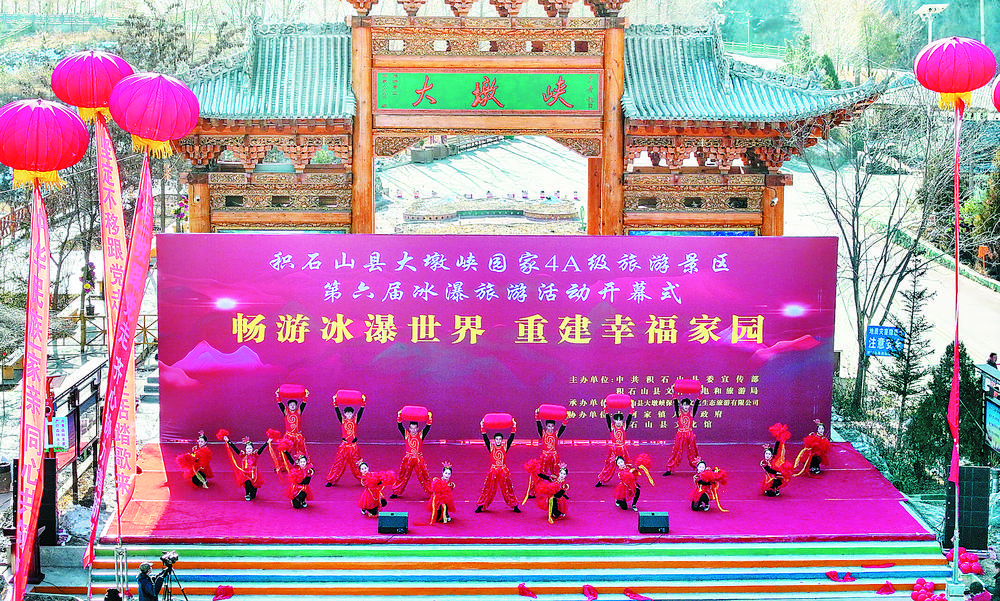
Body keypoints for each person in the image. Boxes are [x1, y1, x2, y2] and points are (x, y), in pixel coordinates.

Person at [476, 421, 520, 513]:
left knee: (508, 488)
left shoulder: (505, 447)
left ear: (502, 440)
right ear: (494, 440)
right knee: (488, 488)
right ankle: (481, 505)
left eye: (500, 439)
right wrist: (482, 427)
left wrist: (514, 427)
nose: (498, 441)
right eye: (497, 439)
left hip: (503, 470)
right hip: (493, 470)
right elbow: (485, 438)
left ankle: (514, 505)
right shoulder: (491, 447)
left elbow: (511, 438)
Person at [391, 412, 432, 498]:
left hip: (418, 459)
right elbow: (400, 427)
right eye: (411, 428)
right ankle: (396, 492)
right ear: (409, 428)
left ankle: (431, 493)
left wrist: (429, 418)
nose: (413, 430)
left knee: (425, 476)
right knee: (402, 475)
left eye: (415, 428)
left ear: (417, 429)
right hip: (408, 459)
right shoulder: (406, 434)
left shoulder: (420, 435)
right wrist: (399, 416)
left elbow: (427, 427)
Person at [326, 401, 365, 485]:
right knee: (338, 463)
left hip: (353, 446)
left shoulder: (355, 420)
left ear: (352, 414)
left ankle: (363, 480)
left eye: (350, 413)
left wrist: (362, 405)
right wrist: (335, 405)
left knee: (357, 463)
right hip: (344, 446)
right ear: (345, 414)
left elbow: (360, 413)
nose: (349, 415)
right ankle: (331, 480)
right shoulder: (343, 421)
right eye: (347, 413)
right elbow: (338, 413)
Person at [223, 433, 270, 500]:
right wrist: (228, 441)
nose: (249, 449)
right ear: (245, 449)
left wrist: (267, 442)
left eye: (250, 448)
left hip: (254, 474)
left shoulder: (255, 455)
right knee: (247, 483)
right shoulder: (242, 455)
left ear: (252, 449)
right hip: (245, 474)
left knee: (253, 495)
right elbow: (235, 449)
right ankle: (247, 494)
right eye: (247, 448)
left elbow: (261, 449)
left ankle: (252, 493)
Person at [663, 397, 700, 476]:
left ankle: (699, 467)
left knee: (693, 451)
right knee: (676, 451)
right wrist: (674, 395)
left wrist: (699, 396)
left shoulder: (691, 413)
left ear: (689, 406)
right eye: (684, 405)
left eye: (687, 405)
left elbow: (696, 405)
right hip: (680, 434)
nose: (686, 406)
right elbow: (676, 405)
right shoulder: (679, 413)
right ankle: (669, 468)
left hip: (689, 434)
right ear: (682, 406)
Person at [596, 411, 634, 486]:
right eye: (617, 420)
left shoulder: (624, 427)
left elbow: (629, 419)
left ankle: (631, 481)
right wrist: (605, 410)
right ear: (614, 421)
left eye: (620, 420)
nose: (619, 421)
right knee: (609, 465)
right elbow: (608, 419)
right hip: (614, 450)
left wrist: (631, 410)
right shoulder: (612, 428)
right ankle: (601, 480)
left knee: (627, 464)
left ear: (622, 421)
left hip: (622, 449)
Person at [275, 395, 307, 472]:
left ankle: (303, 465)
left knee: (301, 451)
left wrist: (306, 396)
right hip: (288, 436)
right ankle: (282, 466)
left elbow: (303, 404)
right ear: (288, 406)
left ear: (296, 406)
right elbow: (280, 405)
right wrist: (278, 396)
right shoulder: (286, 412)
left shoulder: (298, 412)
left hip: (297, 436)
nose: (292, 406)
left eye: (294, 405)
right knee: (284, 451)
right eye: (290, 405)